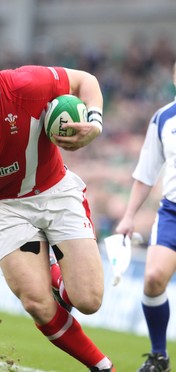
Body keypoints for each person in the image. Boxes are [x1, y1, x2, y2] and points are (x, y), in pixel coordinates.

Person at [0, 28, 113, 371]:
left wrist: (95, 122)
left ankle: (58, 277)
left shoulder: (28, 83)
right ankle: (103, 366)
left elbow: (86, 81)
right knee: (36, 302)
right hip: (5, 208)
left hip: (56, 191)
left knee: (88, 301)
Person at [115, 61, 176, 372]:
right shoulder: (163, 118)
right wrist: (128, 216)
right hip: (172, 213)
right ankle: (159, 357)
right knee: (152, 279)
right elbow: (146, 173)